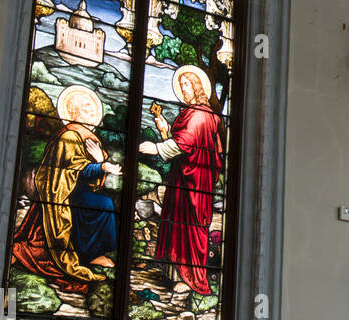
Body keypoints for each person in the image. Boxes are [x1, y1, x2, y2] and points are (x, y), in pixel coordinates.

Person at [11, 85, 120, 291]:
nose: (89, 111)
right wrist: (101, 165)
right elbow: (74, 168)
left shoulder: (86, 136)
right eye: (85, 107)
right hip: (63, 194)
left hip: (78, 191)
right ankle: (86, 254)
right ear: (74, 111)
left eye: (90, 108)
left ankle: (92, 253)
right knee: (104, 204)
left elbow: (90, 175)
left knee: (104, 203)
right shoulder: (69, 136)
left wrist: (100, 163)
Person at [140, 65, 223, 295]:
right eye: (181, 85)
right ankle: (175, 273)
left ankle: (193, 279)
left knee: (191, 227)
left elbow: (186, 142)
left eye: (186, 84)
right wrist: (164, 129)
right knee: (178, 224)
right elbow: (182, 144)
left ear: (197, 87)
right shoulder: (190, 112)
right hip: (182, 179)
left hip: (196, 182)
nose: (183, 89)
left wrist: (157, 147)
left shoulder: (202, 115)